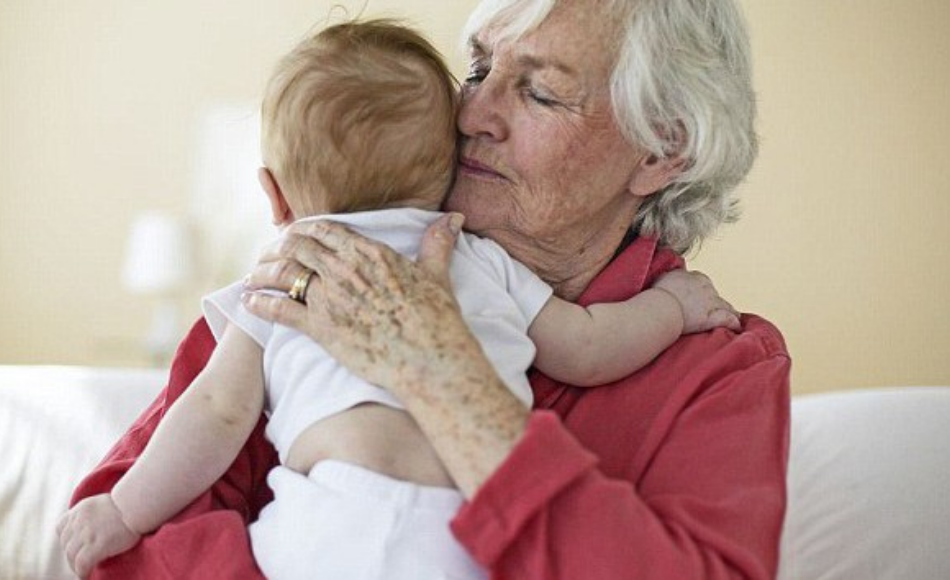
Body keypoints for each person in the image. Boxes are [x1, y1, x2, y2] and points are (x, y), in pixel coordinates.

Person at [58, 17, 741, 580]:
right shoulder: (463, 264)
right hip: (457, 553)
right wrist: (676, 306)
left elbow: (206, 421)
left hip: (312, 541)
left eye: (539, 93)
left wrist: (444, 375)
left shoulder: (278, 285)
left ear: (659, 151)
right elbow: (591, 345)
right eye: (475, 73)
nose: (473, 112)